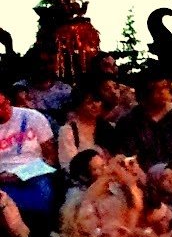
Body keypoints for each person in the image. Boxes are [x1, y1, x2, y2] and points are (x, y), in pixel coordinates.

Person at [0, 88, 57, 217]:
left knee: (43, 192)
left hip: (33, 171)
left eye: (2, 105)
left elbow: (51, 155)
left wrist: (39, 169)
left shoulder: (32, 117)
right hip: (3, 176)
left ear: (8, 101)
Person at [56, 84, 107, 170]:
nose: (94, 106)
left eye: (97, 101)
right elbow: (69, 165)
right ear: (78, 106)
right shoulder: (68, 131)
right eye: (89, 102)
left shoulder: (107, 127)